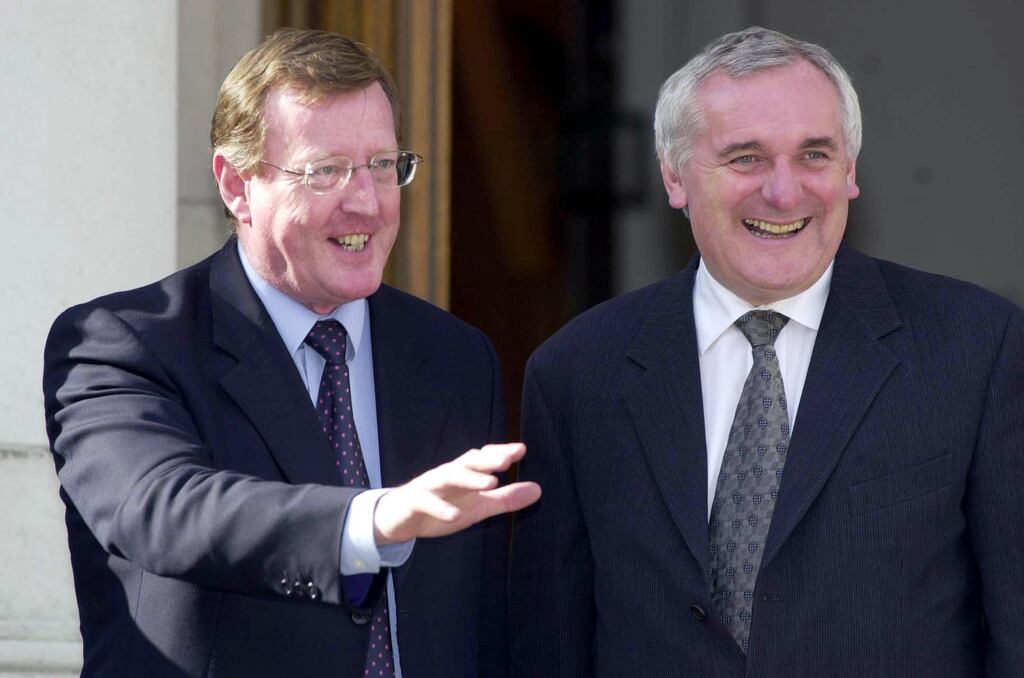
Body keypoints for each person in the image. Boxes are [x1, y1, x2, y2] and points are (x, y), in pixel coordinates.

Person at [509, 25, 1024, 676]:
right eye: (746, 157)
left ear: (850, 170)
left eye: (814, 155)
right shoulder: (576, 375)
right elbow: (547, 647)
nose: (784, 193)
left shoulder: (976, 349)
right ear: (674, 176)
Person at [43, 28, 539, 678]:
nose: (366, 201)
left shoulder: (453, 357)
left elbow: (477, 626)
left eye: (383, 165)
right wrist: (375, 517)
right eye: (325, 171)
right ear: (236, 185)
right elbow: (164, 511)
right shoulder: (123, 342)